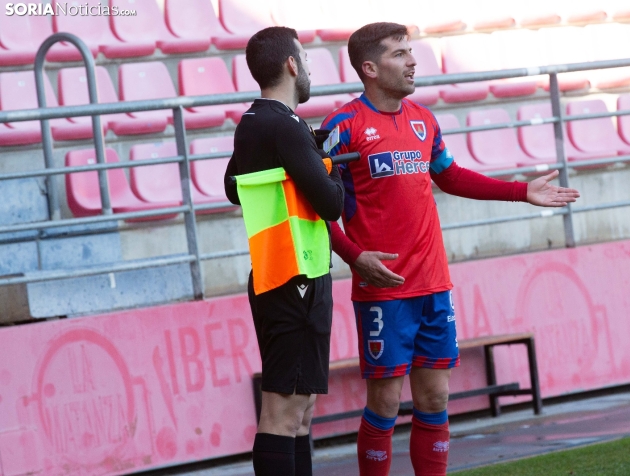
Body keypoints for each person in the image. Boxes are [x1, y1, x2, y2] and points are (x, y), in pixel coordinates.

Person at [322, 22, 580, 476]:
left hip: (433, 285)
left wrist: (521, 191)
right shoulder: (341, 126)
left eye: (410, 51)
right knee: (385, 402)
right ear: (369, 67)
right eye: (399, 53)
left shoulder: (424, 120)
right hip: (384, 289)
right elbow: (315, 206)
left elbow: (451, 175)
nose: (412, 61)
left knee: (435, 398)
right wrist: (353, 256)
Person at [224, 26, 344, 476]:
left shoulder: (252, 121)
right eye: (306, 59)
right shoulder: (286, 125)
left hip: (279, 274)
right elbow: (332, 204)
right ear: (292, 64)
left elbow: (233, 187)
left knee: (300, 412)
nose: (309, 67)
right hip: (296, 277)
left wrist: (301, 162)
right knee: (282, 412)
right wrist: (330, 167)